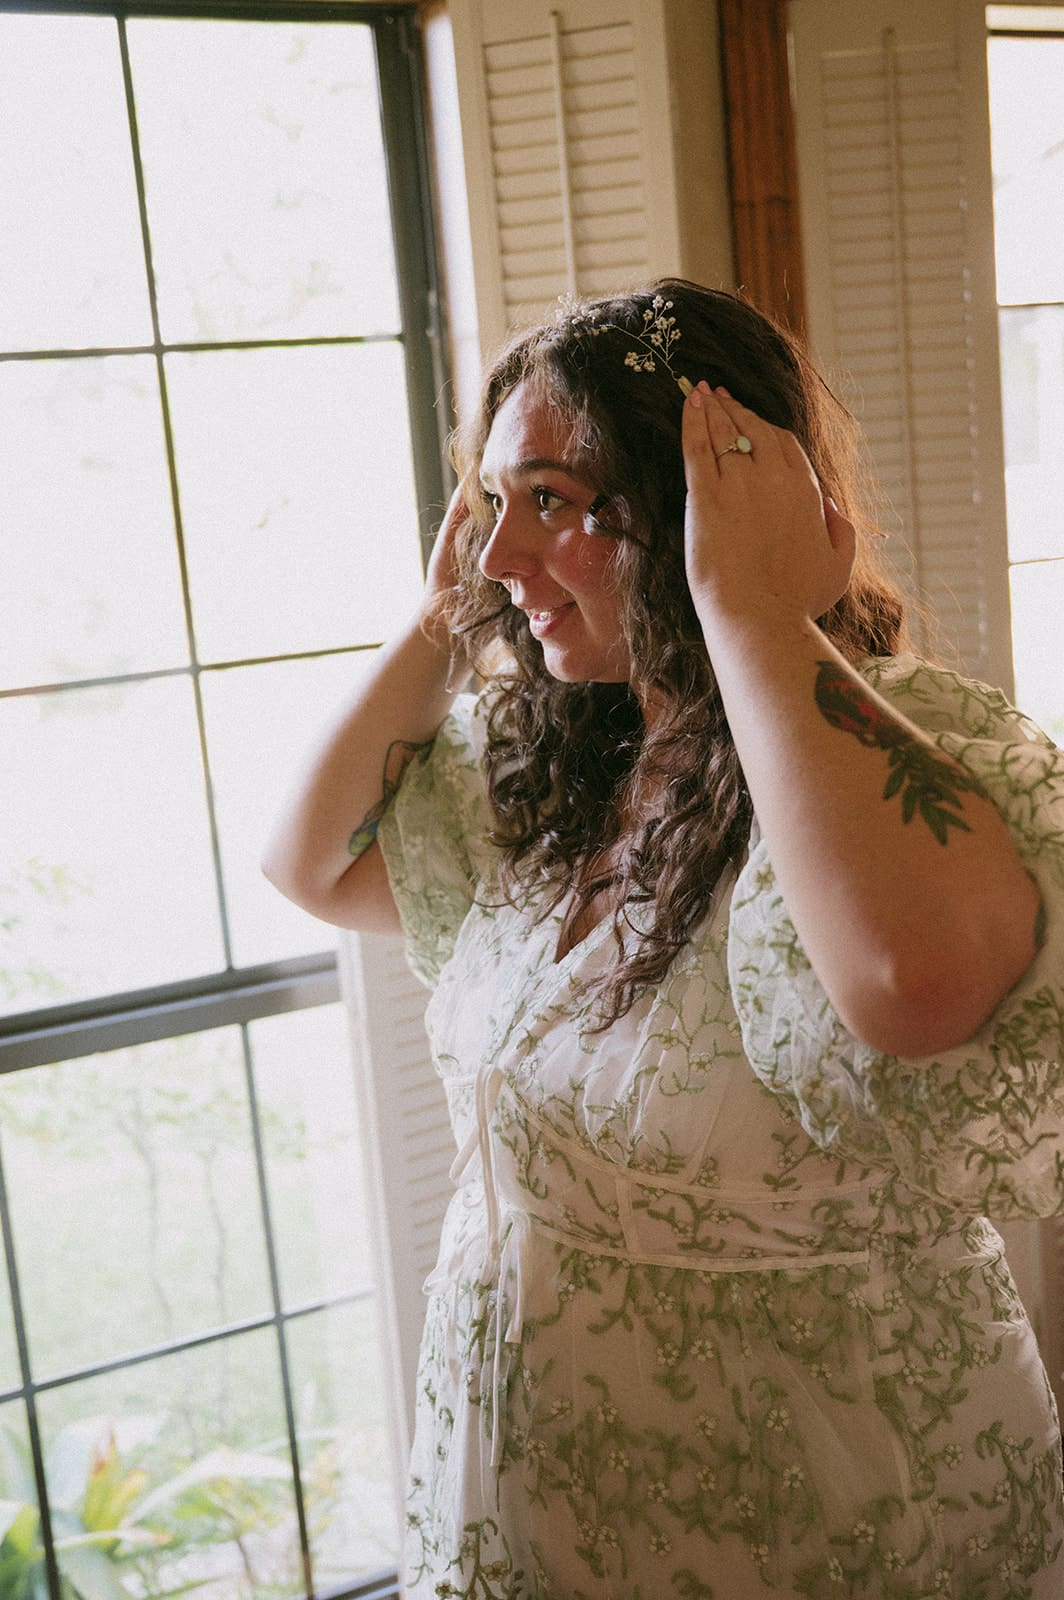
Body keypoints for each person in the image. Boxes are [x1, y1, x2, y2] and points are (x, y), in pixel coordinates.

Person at [263, 280, 1064, 1598]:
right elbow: (309, 860)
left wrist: (754, 615)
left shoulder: (887, 760)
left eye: (554, 502)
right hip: (535, 1488)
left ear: (702, 505)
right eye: (489, 504)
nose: (498, 556)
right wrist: (439, 619)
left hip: (812, 1501)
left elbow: (918, 984)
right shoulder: (555, 771)